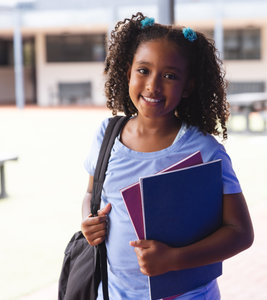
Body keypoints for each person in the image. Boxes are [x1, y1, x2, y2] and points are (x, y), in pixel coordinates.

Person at [80, 12, 254, 299]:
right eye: (143, 70)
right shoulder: (107, 134)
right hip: (114, 293)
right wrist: (88, 219)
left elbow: (240, 232)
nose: (153, 86)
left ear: (189, 86)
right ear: (127, 72)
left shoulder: (205, 151)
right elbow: (91, 193)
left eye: (170, 76)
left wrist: (174, 258)